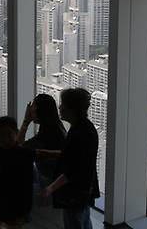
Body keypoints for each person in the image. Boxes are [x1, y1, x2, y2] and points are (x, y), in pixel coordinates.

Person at [40, 88, 100, 229]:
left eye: (63, 104)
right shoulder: (84, 128)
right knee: (84, 221)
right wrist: (49, 153)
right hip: (84, 190)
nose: (59, 107)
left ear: (72, 109)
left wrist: (50, 188)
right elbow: (74, 157)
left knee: (75, 223)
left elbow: (73, 170)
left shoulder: (80, 133)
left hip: (75, 193)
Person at [0, 116, 36, 229]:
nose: (5, 139)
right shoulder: (23, 154)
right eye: (1, 135)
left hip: (8, 203)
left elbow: (26, 186)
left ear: (16, 133)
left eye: (8, 134)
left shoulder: (21, 154)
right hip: (6, 203)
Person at [18, 93, 67, 183]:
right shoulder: (57, 126)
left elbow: (18, 147)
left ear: (38, 111)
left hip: (49, 183)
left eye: (32, 108)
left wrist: (26, 121)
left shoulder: (43, 138)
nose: (30, 111)